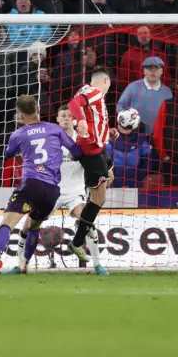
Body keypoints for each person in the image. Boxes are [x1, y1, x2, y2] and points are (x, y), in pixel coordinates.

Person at [0, 95, 83, 279]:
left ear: (20, 116)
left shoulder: (18, 134)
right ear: (38, 110)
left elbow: (8, 153)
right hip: (52, 191)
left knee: (7, 222)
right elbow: (77, 151)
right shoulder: (55, 129)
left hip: (31, 184)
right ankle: (24, 264)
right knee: (33, 225)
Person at [6, 105, 109, 275]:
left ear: (74, 119)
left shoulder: (83, 139)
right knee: (28, 225)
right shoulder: (49, 138)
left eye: (70, 115)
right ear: (58, 119)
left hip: (75, 191)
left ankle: (98, 265)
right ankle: (21, 264)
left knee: (87, 222)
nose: (67, 118)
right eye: (63, 116)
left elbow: (96, 159)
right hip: (51, 189)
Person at [67, 68, 118, 262]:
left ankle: (84, 221)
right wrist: (80, 120)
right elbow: (73, 104)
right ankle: (78, 240)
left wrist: (108, 132)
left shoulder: (91, 95)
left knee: (110, 177)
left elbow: (92, 119)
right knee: (99, 200)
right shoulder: (93, 91)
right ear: (105, 80)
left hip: (99, 147)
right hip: (91, 149)